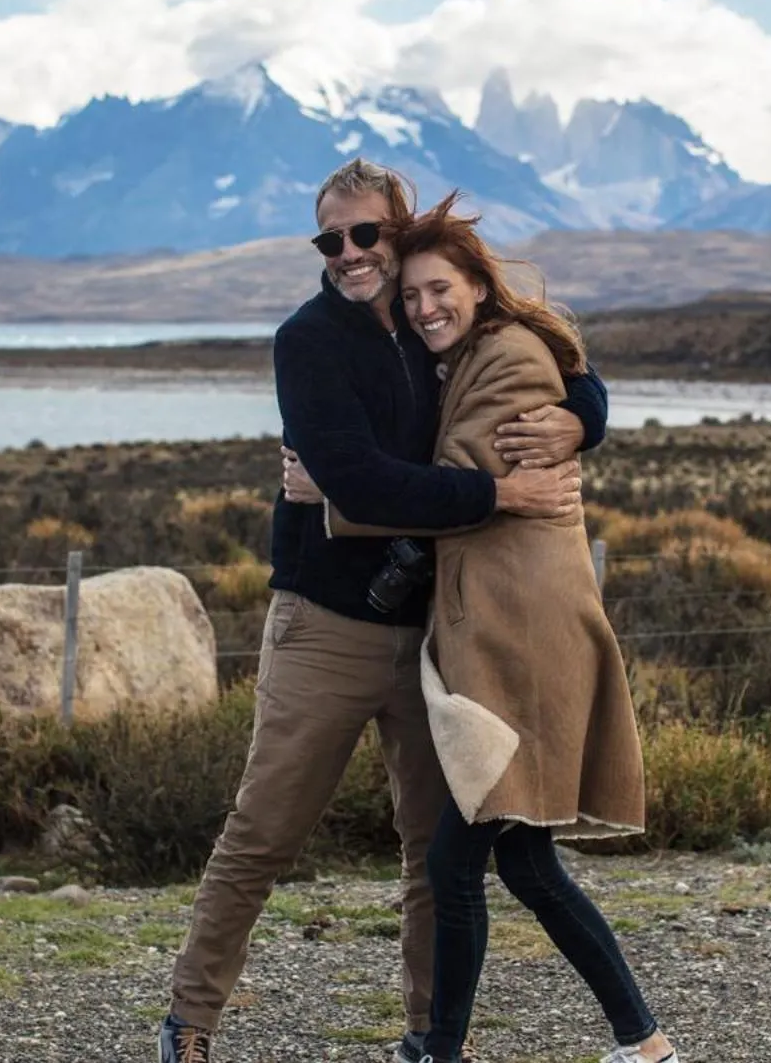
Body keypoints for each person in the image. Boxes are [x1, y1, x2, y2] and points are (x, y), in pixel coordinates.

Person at [158, 158, 611, 1063]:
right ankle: (189, 1022)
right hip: (324, 623)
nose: (351, 253)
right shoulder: (309, 340)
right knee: (263, 833)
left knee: (431, 852)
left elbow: (552, 361)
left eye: (367, 234)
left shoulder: (428, 323)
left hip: (432, 631)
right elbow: (360, 481)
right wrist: (497, 496)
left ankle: (428, 1037)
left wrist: (581, 419)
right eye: (332, 239)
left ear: (397, 232)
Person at [298, 193, 679, 1063]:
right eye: (414, 296)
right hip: (509, 634)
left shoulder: (507, 357)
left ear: (478, 284)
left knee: (455, 861)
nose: (426, 307)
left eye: (442, 290)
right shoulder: (473, 355)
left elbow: (459, 476)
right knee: (526, 864)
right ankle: (644, 1044)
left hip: (523, 639)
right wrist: (589, 410)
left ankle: (443, 1049)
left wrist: (337, 487)